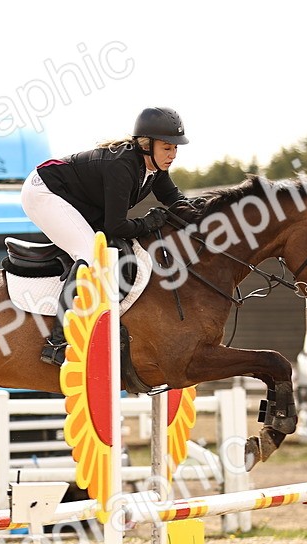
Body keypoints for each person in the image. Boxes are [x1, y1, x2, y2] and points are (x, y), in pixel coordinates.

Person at [22, 106, 191, 366]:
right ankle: (57, 341)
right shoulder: (122, 165)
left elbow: (176, 201)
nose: (173, 154)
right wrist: (147, 223)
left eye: (175, 148)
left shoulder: (154, 168)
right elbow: (116, 226)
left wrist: (207, 214)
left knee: (113, 248)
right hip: (44, 191)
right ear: (147, 145)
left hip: (75, 199)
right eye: (167, 148)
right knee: (90, 254)